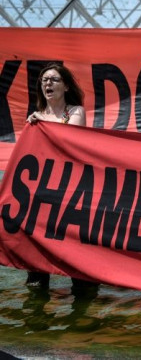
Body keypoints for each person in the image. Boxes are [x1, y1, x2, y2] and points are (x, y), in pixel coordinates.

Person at [25, 63, 98, 294]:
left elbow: (72, 136)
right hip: (43, 194)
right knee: (37, 271)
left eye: (54, 79)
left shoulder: (75, 112)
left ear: (65, 86)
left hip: (71, 193)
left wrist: (41, 124)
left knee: (78, 258)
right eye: (44, 80)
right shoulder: (35, 119)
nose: (48, 83)